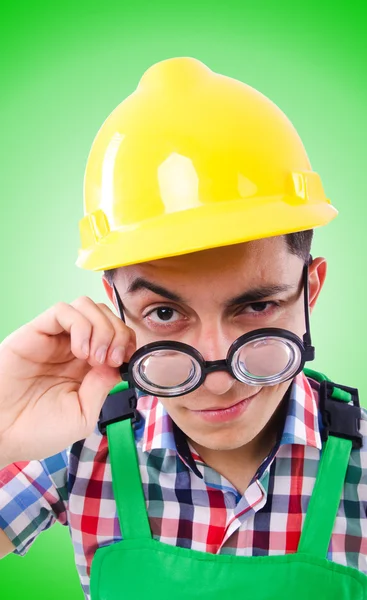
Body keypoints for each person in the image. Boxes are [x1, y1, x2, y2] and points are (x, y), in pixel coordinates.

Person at [0, 57, 366, 600]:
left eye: (257, 307)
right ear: (115, 306)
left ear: (310, 290)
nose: (216, 379)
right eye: (166, 314)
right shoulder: (76, 444)